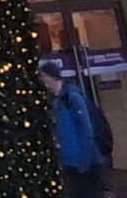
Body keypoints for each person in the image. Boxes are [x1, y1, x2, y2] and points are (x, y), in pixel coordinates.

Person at [40, 61, 105, 198]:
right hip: (70, 162)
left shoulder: (72, 97)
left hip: (83, 162)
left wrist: (85, 162)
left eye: (43, 76)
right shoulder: (57, 101)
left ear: (50, 77)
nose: (42, 80)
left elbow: (86, 129)